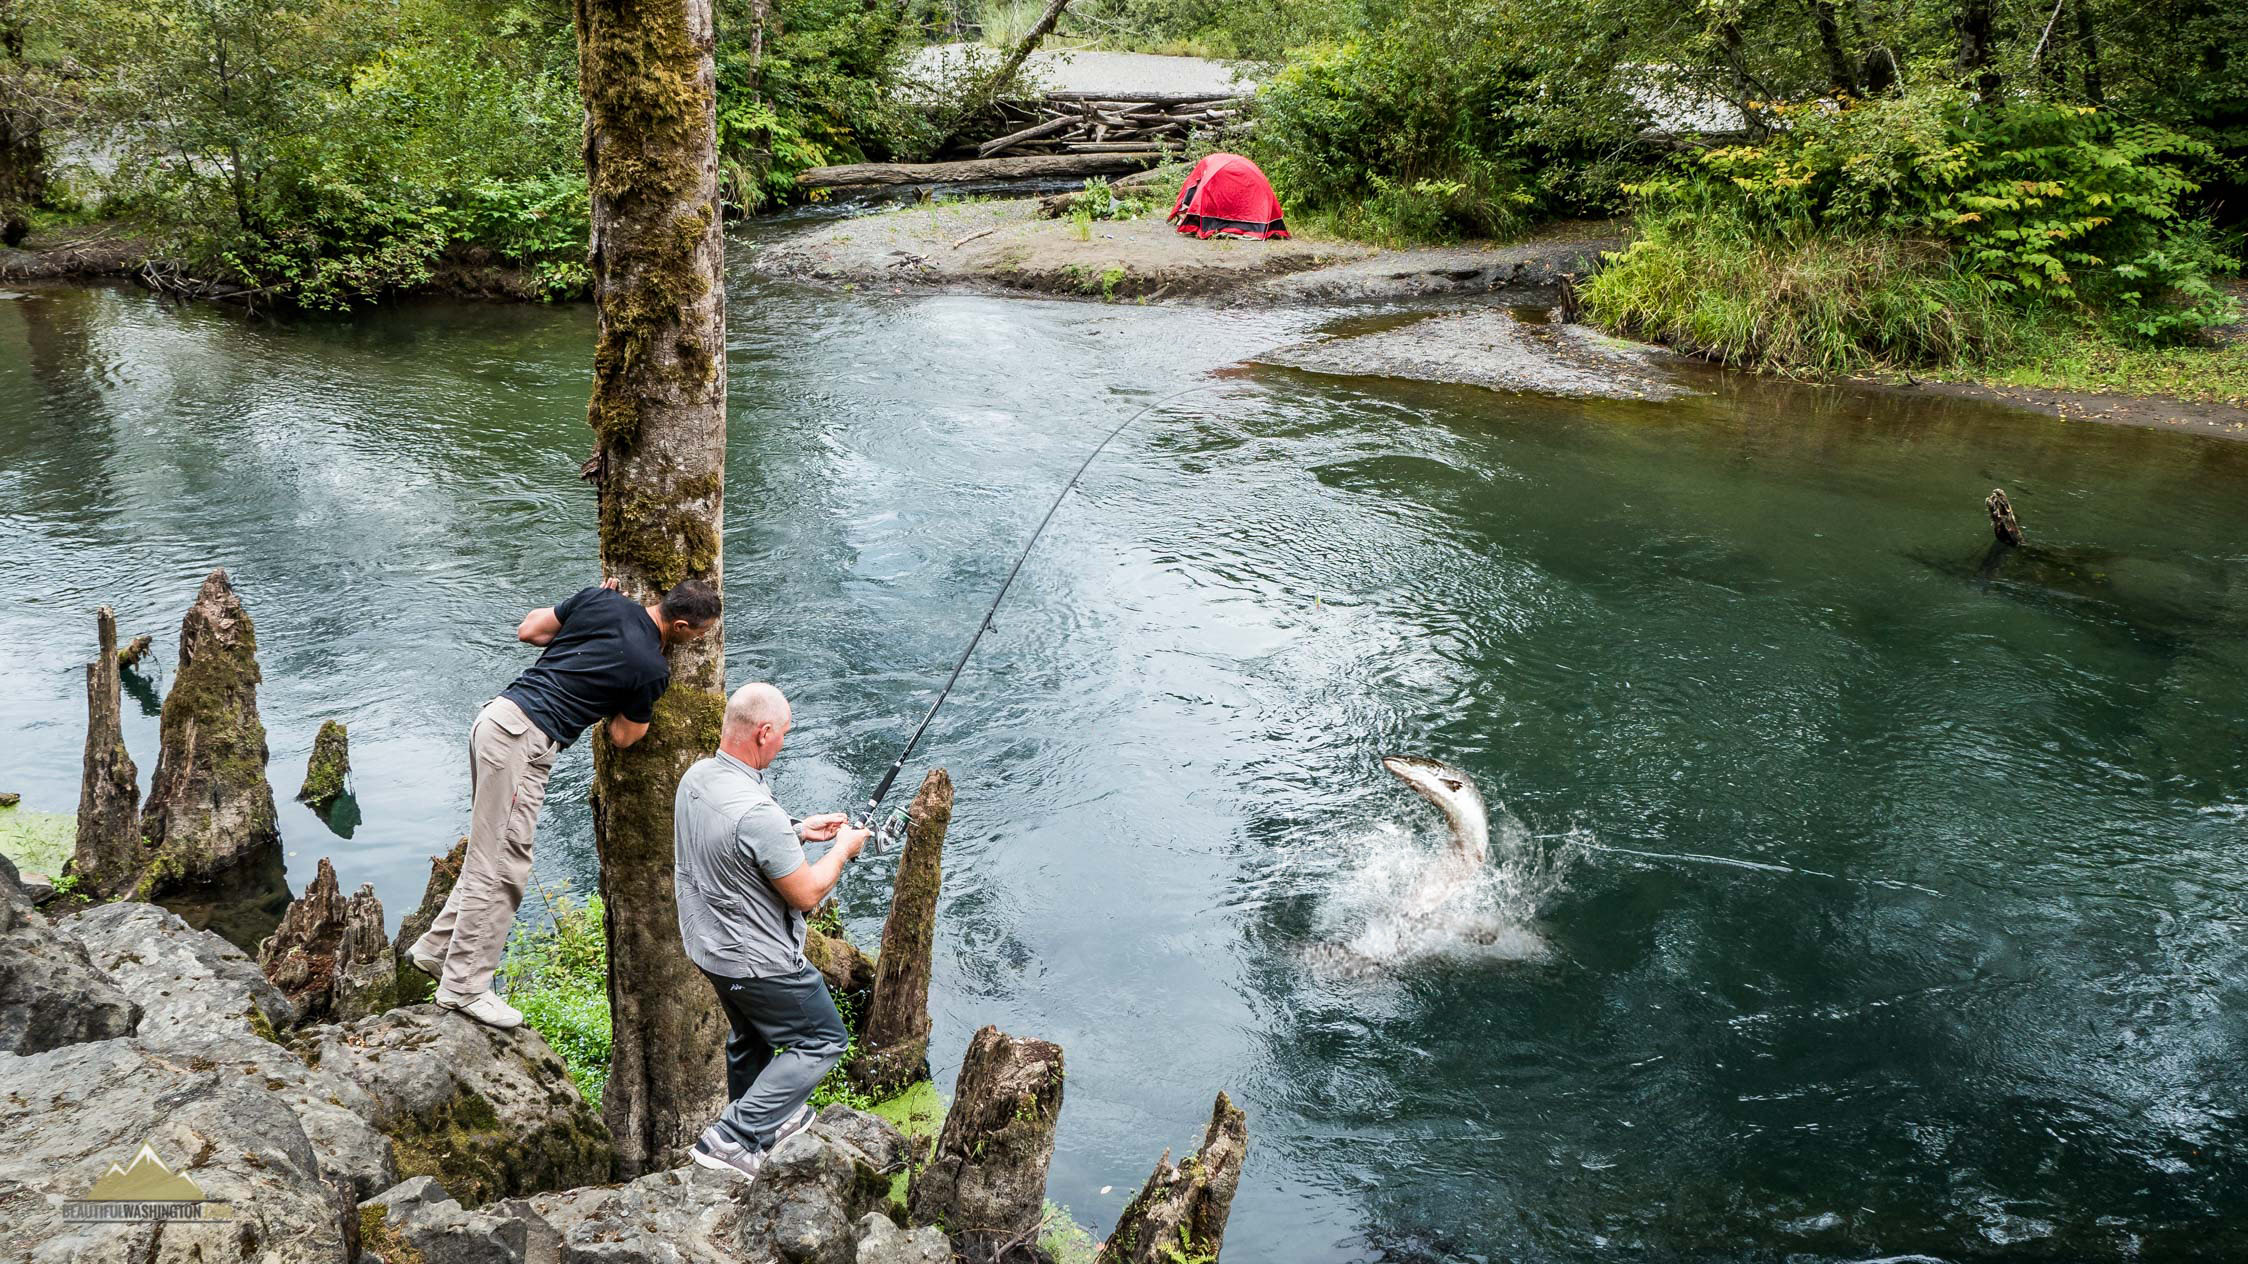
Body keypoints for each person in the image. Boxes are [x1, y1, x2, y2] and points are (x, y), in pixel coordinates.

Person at [409, 577, 722, 1028]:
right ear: (679, 625)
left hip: (497, 719)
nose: (699, 641)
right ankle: (464, 987)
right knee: (502, 865)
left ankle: (436, 950)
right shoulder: (651, 668)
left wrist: (586, 614)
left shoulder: (603, 599)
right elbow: (623, 736)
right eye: (699, 633)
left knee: (492, 851)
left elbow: (531, 631)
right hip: (522, 741)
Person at [674, 681, 870, 1180]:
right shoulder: (758, 813)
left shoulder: (698, 777)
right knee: (822, 1040)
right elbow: (805, 893)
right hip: (758, 960)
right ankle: (734, 1136)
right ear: (763, 733)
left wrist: (800, 830)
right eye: (783, 733)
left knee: (751, 1035)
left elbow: (736, 835)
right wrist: (841, 850)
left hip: (708, 946)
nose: (784, 740)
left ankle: (763, 1125)